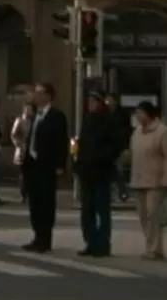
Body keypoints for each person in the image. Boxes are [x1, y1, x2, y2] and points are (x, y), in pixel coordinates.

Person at [73, 92, 127, 257]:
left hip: (101, 170)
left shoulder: (109, 121)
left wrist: (103, 156)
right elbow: (82, 143)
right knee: (87, 209)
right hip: (86, 171)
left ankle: (103, 243)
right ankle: (90, 241)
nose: (90, 104)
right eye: (89, 101)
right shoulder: (88, 120)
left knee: (102, 208)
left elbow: (117, 145)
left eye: (94, 101)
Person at [20, 83, 70, 252]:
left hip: (47, 165)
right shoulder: (35, 115)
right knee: (34, 203)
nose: (36, 96)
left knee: (46, 203)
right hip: (33, 164)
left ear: (48, 96)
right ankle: (37, 236)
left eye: (40, 93)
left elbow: (61, 141)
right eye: (36, 93)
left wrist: (60, 164)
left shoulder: (56, 116)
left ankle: (45, 239)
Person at [126, 100, 167, 259]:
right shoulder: (137, 132)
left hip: (155, 180)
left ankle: (155, 248)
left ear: (148, 114)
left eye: (139, 113)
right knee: (143, 214)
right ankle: (150, 244)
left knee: (153, 213)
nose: (137, 116)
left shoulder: (163, 132)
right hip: (139, 179)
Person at [9, 99, 34, 202]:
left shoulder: (34, 121)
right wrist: (18, 144)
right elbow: (13, 135)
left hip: (33, 150)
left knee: (32, 174)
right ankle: (24, 194)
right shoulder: (19, 120)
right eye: (27, 109)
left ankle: (31, 194)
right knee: (24, 174)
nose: (29, 112)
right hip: (22, 150)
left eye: (30, 110)